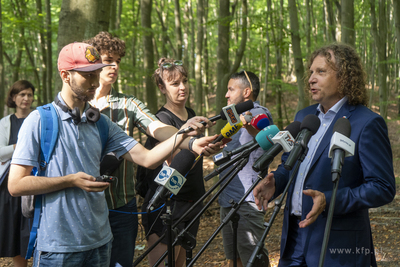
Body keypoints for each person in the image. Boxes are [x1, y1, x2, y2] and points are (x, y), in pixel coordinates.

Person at [7, 42, 213, 267]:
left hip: (100, 243)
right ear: (65, 75)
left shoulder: (102, 124)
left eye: (96, 74)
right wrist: (70, 181)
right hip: (58, 248)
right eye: (88, 76)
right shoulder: (38, 121)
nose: (95, 82)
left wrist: (185, 135)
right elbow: (16, 185)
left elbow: (147, 158)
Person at [85, 32, 221, 267]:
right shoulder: (77, 106)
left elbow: (157, 127)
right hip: (83, 204)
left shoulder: (129, 104)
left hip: (121, 204)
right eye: (108, 59)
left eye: (118, 60)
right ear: (93, 61)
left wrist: (187, 138)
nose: (114, 66)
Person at [253, 43, 396, 266]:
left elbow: (382, 187)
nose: (311, 78)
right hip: (293, 240)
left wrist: (329, 200)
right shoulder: (304, 116)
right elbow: (290, 165)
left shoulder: (366, 123)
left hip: (338, 246)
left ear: (345, 77)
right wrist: (277, 182)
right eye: (311, 72)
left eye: (321, 72)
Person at [138, 58, 206, 267]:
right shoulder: (161, 121)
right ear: (162, 87)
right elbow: (176, 161)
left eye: (184, 81)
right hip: (166, 204)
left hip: (192, 200)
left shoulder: (191, 114)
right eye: (175, 84)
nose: (183, 87)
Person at [218, 70, 273, 267]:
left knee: (253, 260)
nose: (226, 94)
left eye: (231, 89)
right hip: (228, 198)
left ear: (247, 92)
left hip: (247, 200)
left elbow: (263, 132)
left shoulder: (258, 112)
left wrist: (248, 122)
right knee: (235, 259)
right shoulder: (235, 116)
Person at [0, 80, 35, 267]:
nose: (26, 98)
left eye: (29, 94)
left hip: (36, 184)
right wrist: (19, 146)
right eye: (22, 94)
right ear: (13, 97)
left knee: (33, 233)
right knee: (15, 236)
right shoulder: (5, 123)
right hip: (11, 188)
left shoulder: (38, 119)